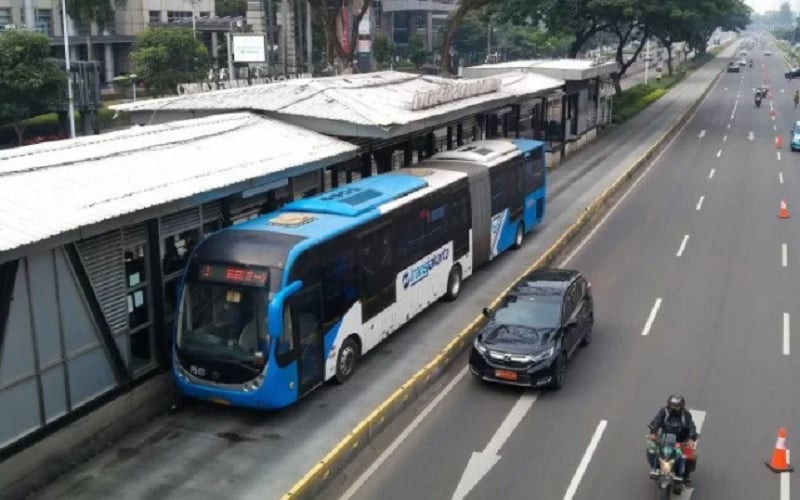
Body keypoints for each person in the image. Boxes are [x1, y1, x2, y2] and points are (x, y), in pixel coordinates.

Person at [647, 394, 698, 484]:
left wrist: (691, 438)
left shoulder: (685, 415)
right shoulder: (664, 412)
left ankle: (685, 475)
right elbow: (656, 421)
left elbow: (691, 427)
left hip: (681, 442)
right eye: (672, 405)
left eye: (676, 406)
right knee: (651, 448)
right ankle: (654, 467)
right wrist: (653, 432)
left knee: (691, 456)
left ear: (681, 406)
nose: (673, 408)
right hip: (665, 440)